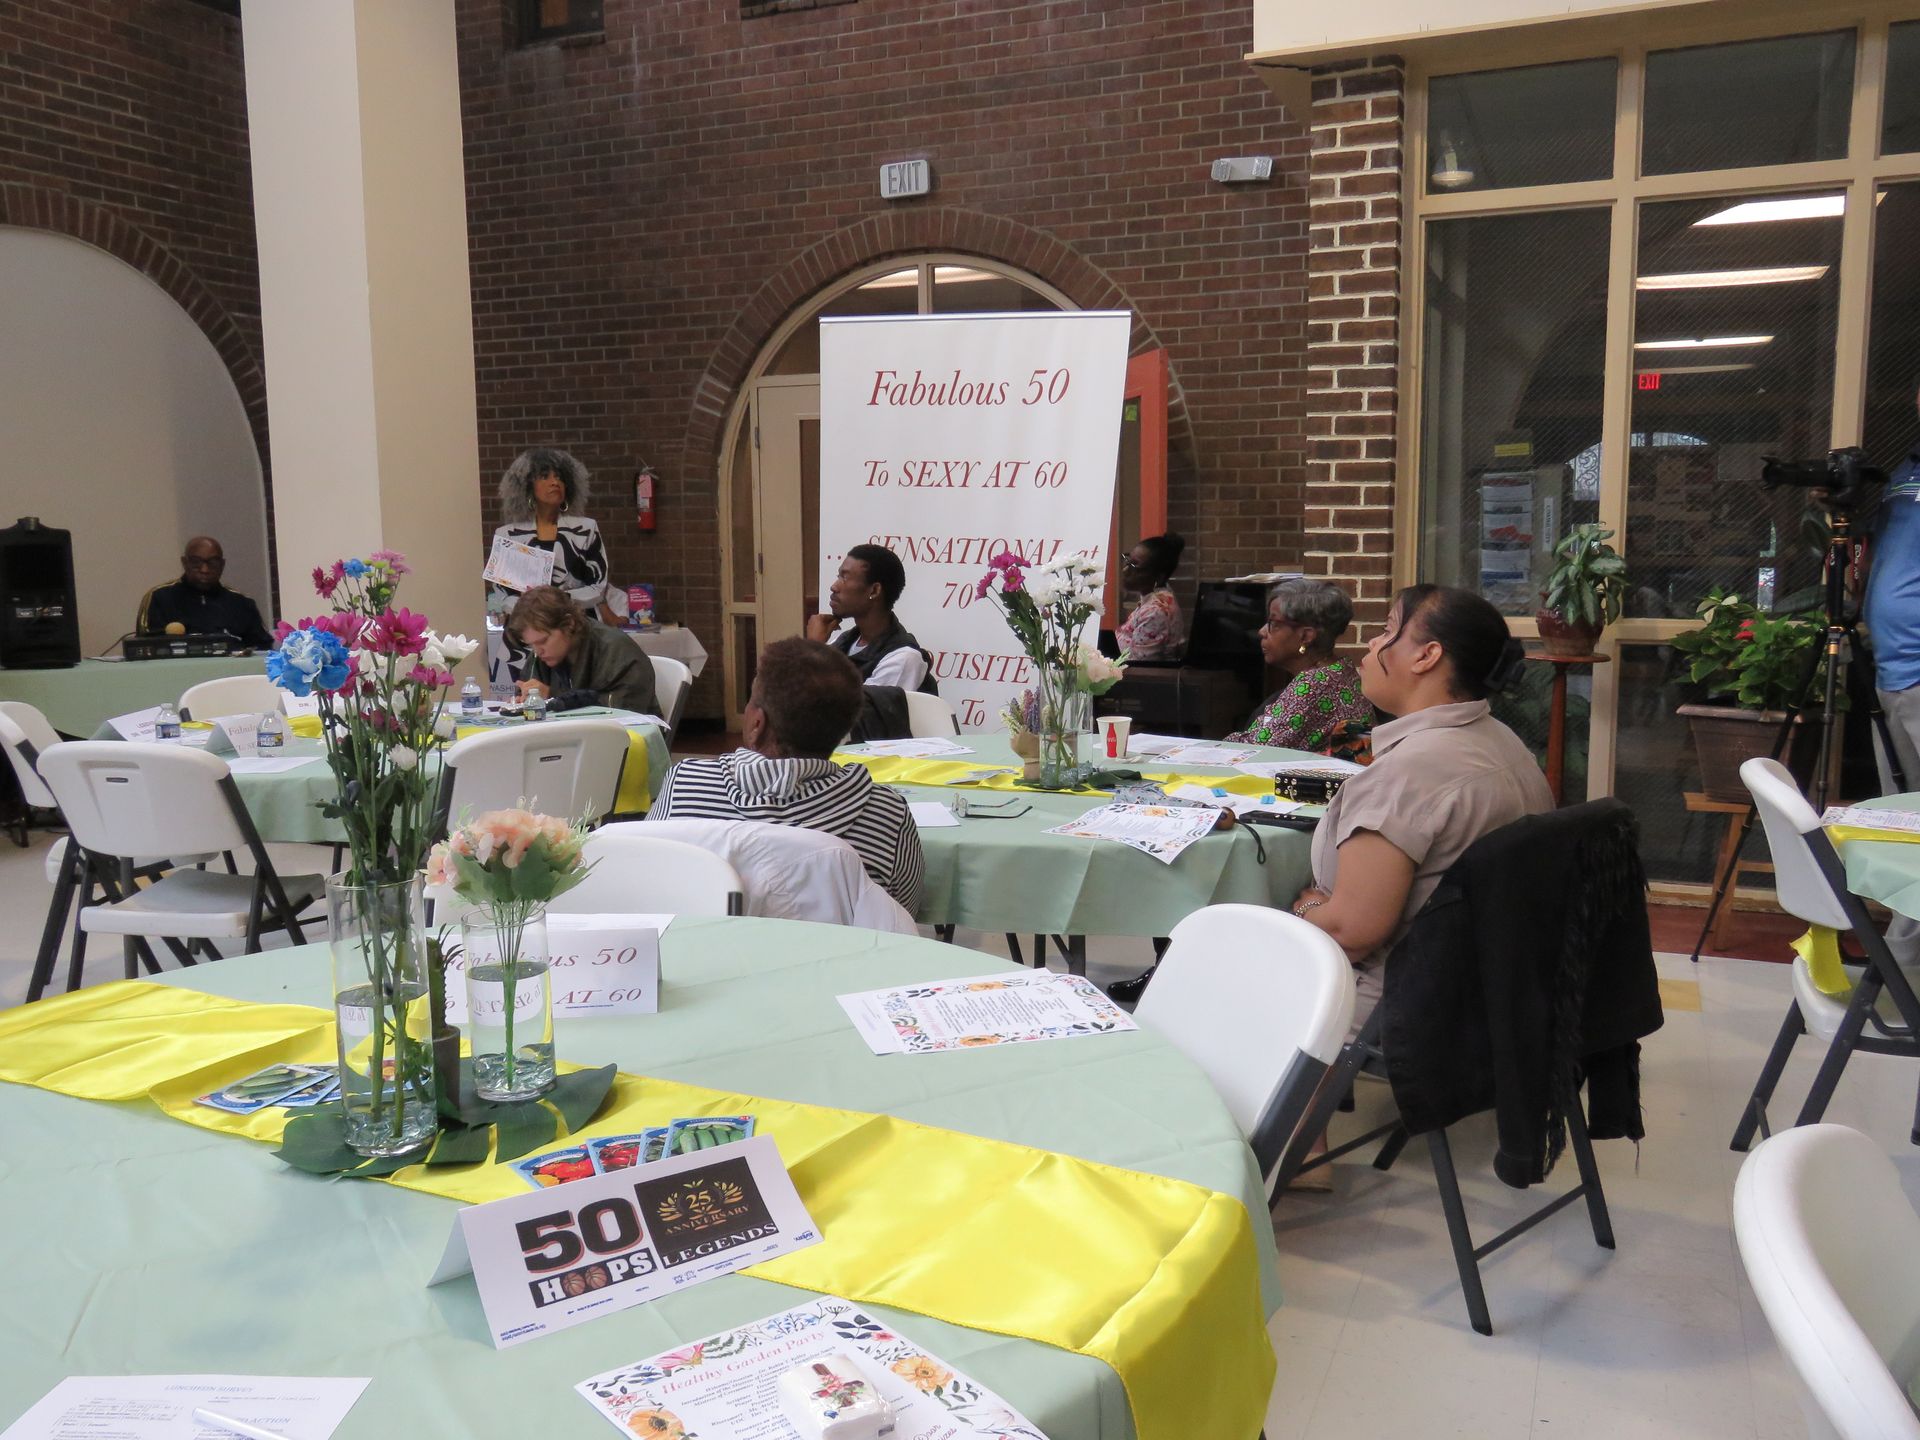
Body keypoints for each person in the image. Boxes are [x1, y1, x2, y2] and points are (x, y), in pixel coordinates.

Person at [1292, 584, 1553, 1039]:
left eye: (1388, 631)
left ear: (1426, 656)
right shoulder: (1504, 742)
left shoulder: (1404, 775)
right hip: (1495, 993)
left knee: (1198, 973)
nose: (1372, 645)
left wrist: (1306, 908)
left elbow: (1349, 933)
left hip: (1396, 1004)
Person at [648, 638, 923, 911]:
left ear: (757, 723)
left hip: (698, 950)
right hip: (842, 953)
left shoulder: (685, 784)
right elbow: (903, 912)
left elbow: (647, 875)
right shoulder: (887, 813)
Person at [490, 447, 611, 674]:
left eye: (560, 477)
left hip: (577, 633)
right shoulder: (508, 535)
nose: (555, 482)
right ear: (526, 487)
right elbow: (502, 594)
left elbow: (598, 587)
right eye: (544, 477)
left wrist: (555, 602)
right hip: (526, 637)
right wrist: (535, 611)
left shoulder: (586, 529)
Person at [1224, 578, 1375, 757]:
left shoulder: (1312, 688)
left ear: (1306, 636)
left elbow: (1250, 752)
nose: (1262, 631)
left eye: (1274, 624)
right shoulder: (1342, 671)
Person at [805, 543, 938, 693]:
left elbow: (855, 713)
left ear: (874, 590)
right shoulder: (842, 642)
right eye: (839, 576)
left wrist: (814, 648)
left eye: (845, 577)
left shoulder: (903, 658)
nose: (834, 587)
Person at [507, 586, 658, 716]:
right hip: (569, 740)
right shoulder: (542, 655)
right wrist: (524, 700)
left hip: (626, 741)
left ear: (569, 624)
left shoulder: (617, 651)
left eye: (543, 641)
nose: (538, 651)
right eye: (531, 645)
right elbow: (528, 699)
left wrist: (553, 698)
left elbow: (623, 711)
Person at [137, 536, 273, 649]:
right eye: (196, 562)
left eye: (213, 562)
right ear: (184, 563)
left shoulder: (242, 603)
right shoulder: (159, 598)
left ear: (222, 565)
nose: (204, 569)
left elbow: (262, 648)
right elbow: (145, 646)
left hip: (229, 676)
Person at [1116, 533, 1185, 659]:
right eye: (1127, 560)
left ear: (1159, 576)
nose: (1125, 570)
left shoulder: (1154, 612)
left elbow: (1138, 662)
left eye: (1134, 566)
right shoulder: (1157, 598)